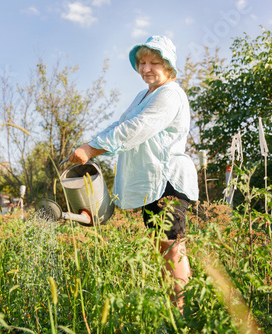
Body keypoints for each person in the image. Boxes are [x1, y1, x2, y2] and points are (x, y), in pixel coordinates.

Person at [68, 35, 198, 313]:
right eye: (142, 62)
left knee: (172, 248)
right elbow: (121, 123)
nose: (146, 68)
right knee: (162, 248)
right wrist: (92, 145)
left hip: (168, 181)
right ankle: (173, 312)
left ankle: (183, 314)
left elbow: (137, 128)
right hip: (152, 182)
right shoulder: (144, 95)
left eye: (154, 62)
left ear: (169, 66)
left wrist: (92, 149)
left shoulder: (170, 93)